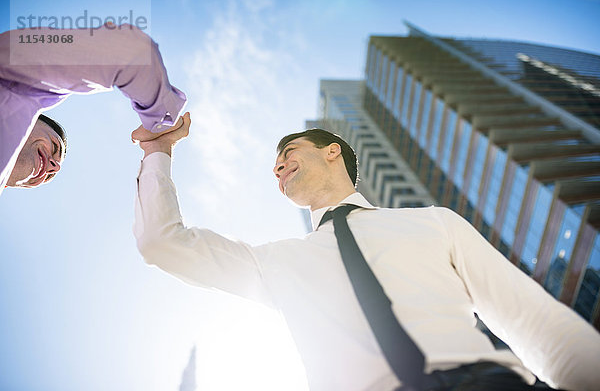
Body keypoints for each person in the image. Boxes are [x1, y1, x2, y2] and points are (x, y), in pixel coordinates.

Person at [134, 114, 600, 391]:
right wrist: (159, 152)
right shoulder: (273, 263)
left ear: (332, 152)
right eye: (274, 167)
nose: (277, 167)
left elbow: (537, 324)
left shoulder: (432, 222)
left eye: (288, 152)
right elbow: (163, 243)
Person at [0, 23, 186, 194]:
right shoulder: (17, 87)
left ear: (8, 184)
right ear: (32, 120)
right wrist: (160, 122)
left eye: (50, 176)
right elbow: (130, 53)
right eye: (55, 146)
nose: (54, 167)